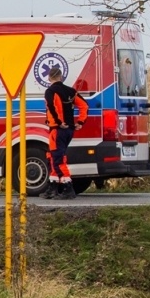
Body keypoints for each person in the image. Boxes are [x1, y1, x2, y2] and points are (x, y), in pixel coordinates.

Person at [42, 66, 88, 199]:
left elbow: (51, 107)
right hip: (69, 130)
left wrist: (58, 121)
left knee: (57, 159)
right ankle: (53, 186)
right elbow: (84, 105)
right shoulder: (71, 91)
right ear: (61, 77)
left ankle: (68, 188)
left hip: (57, 129)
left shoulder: (50, 91)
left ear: (49, 78)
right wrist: (80, 122)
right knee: (53, 156)